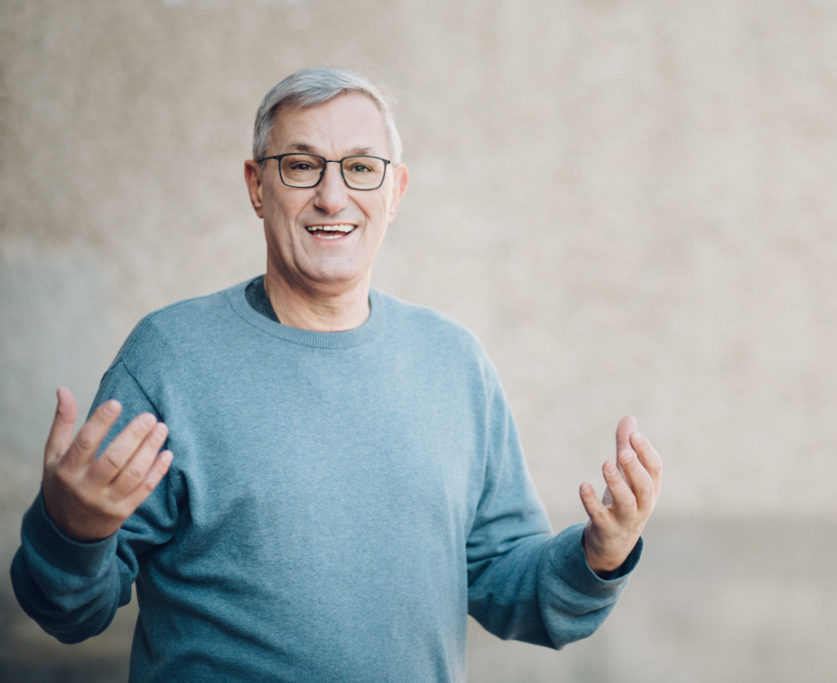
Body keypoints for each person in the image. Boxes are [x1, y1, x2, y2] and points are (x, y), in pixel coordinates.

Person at [10, 66, 663, 681]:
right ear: (256, 186)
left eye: (359, 167)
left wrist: (597, 557)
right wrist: (70, 530)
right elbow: (69, 611)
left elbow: (506, 583)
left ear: (395, 190)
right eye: (300, 165)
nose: (331, 195)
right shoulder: (169, 358)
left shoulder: (454, 363)